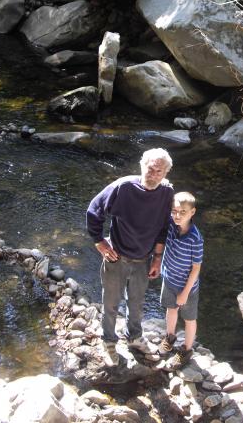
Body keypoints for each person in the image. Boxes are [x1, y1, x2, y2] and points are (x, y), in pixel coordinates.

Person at [86, 147, 173, 365]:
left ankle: (134, 337)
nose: (153, 175)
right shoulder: (123, 187)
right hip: (117, 257)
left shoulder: (166, 193)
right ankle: (108, 341)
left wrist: (157, 258)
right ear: (142, 166)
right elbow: (94, 211)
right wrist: (100, 242)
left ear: (166, 173)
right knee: (111, 303)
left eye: (159, 171)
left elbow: (164, 226)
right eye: (150, 169)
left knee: (136, 302)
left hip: (143, 259)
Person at [159, 191, 204, 368]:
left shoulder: (196, 238)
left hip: (188, 287)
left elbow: (196, 269)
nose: (177, 215)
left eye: (183, 212)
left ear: (192, 212)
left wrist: (185, 293)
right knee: (171, 309)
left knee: (189, 318)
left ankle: (186, 349)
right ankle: (169, 337)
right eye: (174, 211)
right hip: (169, 279)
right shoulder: (171, 224)